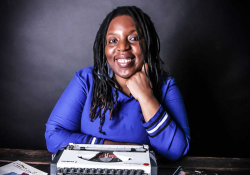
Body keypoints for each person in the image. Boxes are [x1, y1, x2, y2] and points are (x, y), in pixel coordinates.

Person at [45, 6, 190, 161]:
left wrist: (146, 97)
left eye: (133, 38)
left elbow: (176, 151)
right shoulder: (86, 80)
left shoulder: (166, 86)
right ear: (104, 48)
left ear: (148, 43)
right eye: (113, 40)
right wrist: (123, 150)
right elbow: (53, 136)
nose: (122, 47)